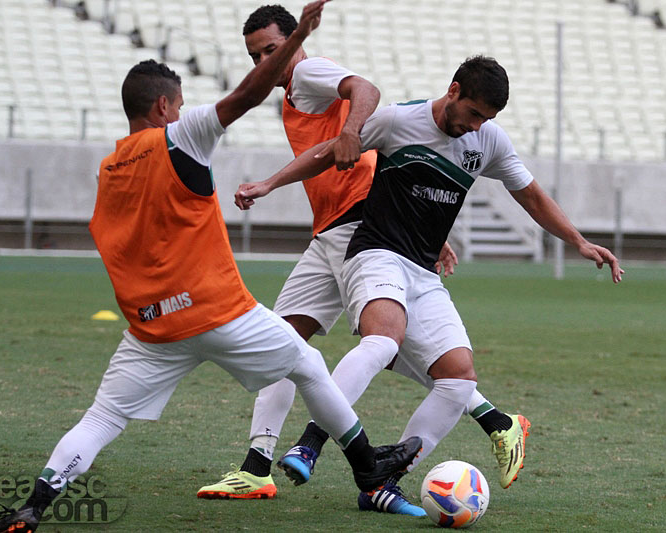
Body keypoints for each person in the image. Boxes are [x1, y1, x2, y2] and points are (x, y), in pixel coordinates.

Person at [0, 3, 423, 532]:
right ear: (166, 105)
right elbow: (245, 96)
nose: (186, 108)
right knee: (306, 363)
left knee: (100, 419)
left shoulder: (109, 168)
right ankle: (369, 470)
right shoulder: (181, 134)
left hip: (152, 328)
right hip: (217, 311)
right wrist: (300, 33)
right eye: (182, 102)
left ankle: (31, 508)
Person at [234, 54, 624, 510]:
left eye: (488, 119)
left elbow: (532, 195)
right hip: (376, 254)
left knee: (458, 378)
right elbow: (327, 152)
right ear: (453, 90)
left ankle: (383, 482)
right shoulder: (399, 121)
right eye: (475, 113)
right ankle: (311, 443)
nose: (478, 126)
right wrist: (270, 183)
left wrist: (578, 241)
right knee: (384, 341)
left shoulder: (488, 140)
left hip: (423, 272)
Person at [196, 5, 530, 516]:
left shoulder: (306, 71)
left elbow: (366, 95)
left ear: (294, 42)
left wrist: (350, 132)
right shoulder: (290, 92)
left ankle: (276, 460)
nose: (267, 60)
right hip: (339, 230)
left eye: (272, 48)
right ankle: (492, 420)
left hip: (358, 230)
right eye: (257, 55)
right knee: (342, 346)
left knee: (353, 345)